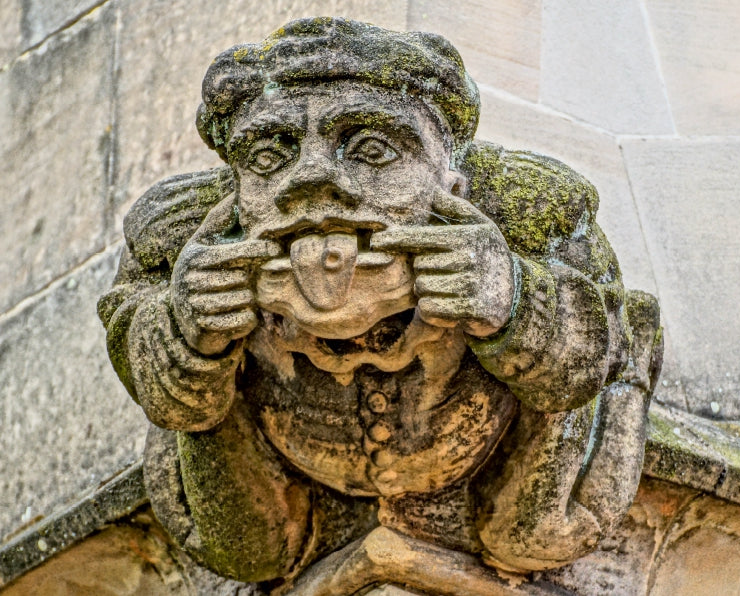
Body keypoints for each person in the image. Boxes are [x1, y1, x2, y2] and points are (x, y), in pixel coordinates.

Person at [98, 17, 662, 585]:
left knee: (540, 535)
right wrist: (182, 332)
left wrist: (513, 298)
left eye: (371, 148)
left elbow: (587, 346)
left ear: (451, 177)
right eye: (270, 156)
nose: (311, 179)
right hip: (297, 487)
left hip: (487, 465)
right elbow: (145, 355)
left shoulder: (531, 210)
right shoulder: (180, 239)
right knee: (246, 553)